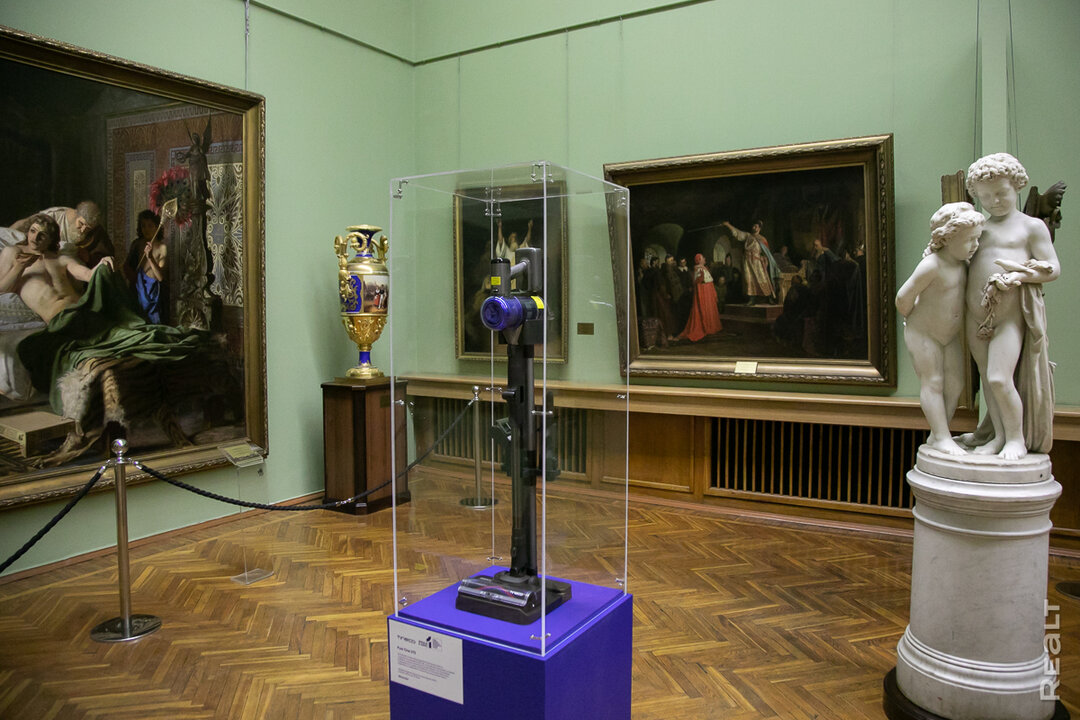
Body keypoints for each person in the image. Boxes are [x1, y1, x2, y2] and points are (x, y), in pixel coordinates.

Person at [962, 153, 1059, 459]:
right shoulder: (979, 229)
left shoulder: (1031, 227)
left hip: (1009, 316)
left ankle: (1016, 439)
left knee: (999, 378)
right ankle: (998, 436)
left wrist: (1020, 275)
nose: (994, 201)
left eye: (1001, 193)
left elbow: (1053, 268)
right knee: (987, 380)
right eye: (985, 197)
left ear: (1016, 186)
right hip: (976, 316)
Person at [895, 202, 984, 455]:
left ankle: (937, 433)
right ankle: (943, 437)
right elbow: (902, 297)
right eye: (969, 240)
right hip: (923, 333)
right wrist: (912, 318)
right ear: (947, 238)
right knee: (933, 382)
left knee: (955, 384)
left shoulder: (963, 265)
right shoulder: (932, 265)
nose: (975, 245)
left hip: (948, 336)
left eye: (977, 239)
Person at [0, 213, 113, 324]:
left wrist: (103, 263)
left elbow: (89, 275)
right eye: (32, 231)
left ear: (51, 239)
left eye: (42, 235)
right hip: (60, 319)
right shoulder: (14, 253)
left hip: (84, 310)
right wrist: (19, 267)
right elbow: (2, 290)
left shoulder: (61, 258)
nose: (35, 238)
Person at [124, 209, 169, 323]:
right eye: (143, 226)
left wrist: (150, 258)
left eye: (150, 226)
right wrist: (130, 275)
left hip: (154, 294)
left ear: (156, 227)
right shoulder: (136, 244)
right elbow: (127, 265)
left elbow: (161, 277)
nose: (146, 229)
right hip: (138, 290)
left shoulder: (162, 247)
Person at [9, 201, 102, 252]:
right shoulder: (55, 215)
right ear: (76, 214)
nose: (83, 230)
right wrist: (8, 232)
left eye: (88, 228)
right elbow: (25, 223)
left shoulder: (96, 232)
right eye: (81, 223)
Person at [724, 220, 779, 304]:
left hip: (757, 261)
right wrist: (728, 225)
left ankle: (769, 298)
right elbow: (738, 233)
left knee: (762, 278)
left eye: (756, 226)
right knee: (749, 280)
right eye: (753, 226)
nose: (754, 227)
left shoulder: (762, 239)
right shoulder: (748, 236)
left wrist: (765, 259)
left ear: (759, 228)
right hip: (747, 261)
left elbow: (766, 253)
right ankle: (752, 299)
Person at [678, 253, 722, 342]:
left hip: (708, 291)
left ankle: (711, 326)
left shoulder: (704, 268)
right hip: (704, 292)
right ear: (699, 260)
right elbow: (698, 283)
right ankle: (707, 327)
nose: (704, 259)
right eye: (702, 258)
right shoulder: (698, 268)